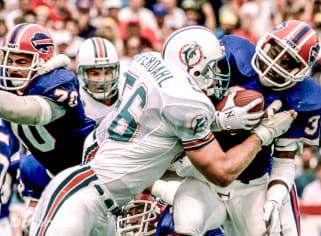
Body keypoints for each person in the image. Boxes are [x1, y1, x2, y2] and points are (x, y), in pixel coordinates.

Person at [29, 28, 294, 235]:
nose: (217, 76)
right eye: (213, 67)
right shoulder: (189, 101)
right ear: (193, 61)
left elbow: (162, 127)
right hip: (86, 198)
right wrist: (264, 133)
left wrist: (219, 122)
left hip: (99, 198)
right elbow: (221, 172)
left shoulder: (148, 62)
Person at [163, 21, 321, 235]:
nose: (275, 62)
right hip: (204, 177)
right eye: (275, 50)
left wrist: (275, 200)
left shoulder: (304, 99)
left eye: (288, 62)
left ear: (301, 71)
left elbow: (284, 161)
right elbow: (185, 115)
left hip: (254, 185)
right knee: (185, 222)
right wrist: (221, 120)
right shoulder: (232, 55)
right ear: (265, 41)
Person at [0, 23, 96, 175]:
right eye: (9, 61)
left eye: (21, 62)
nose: (12, 69)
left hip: (90, 167)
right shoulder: (6, 80)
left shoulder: (58, 80)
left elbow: (20, 110)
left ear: (41, 61)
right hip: (51, 171)